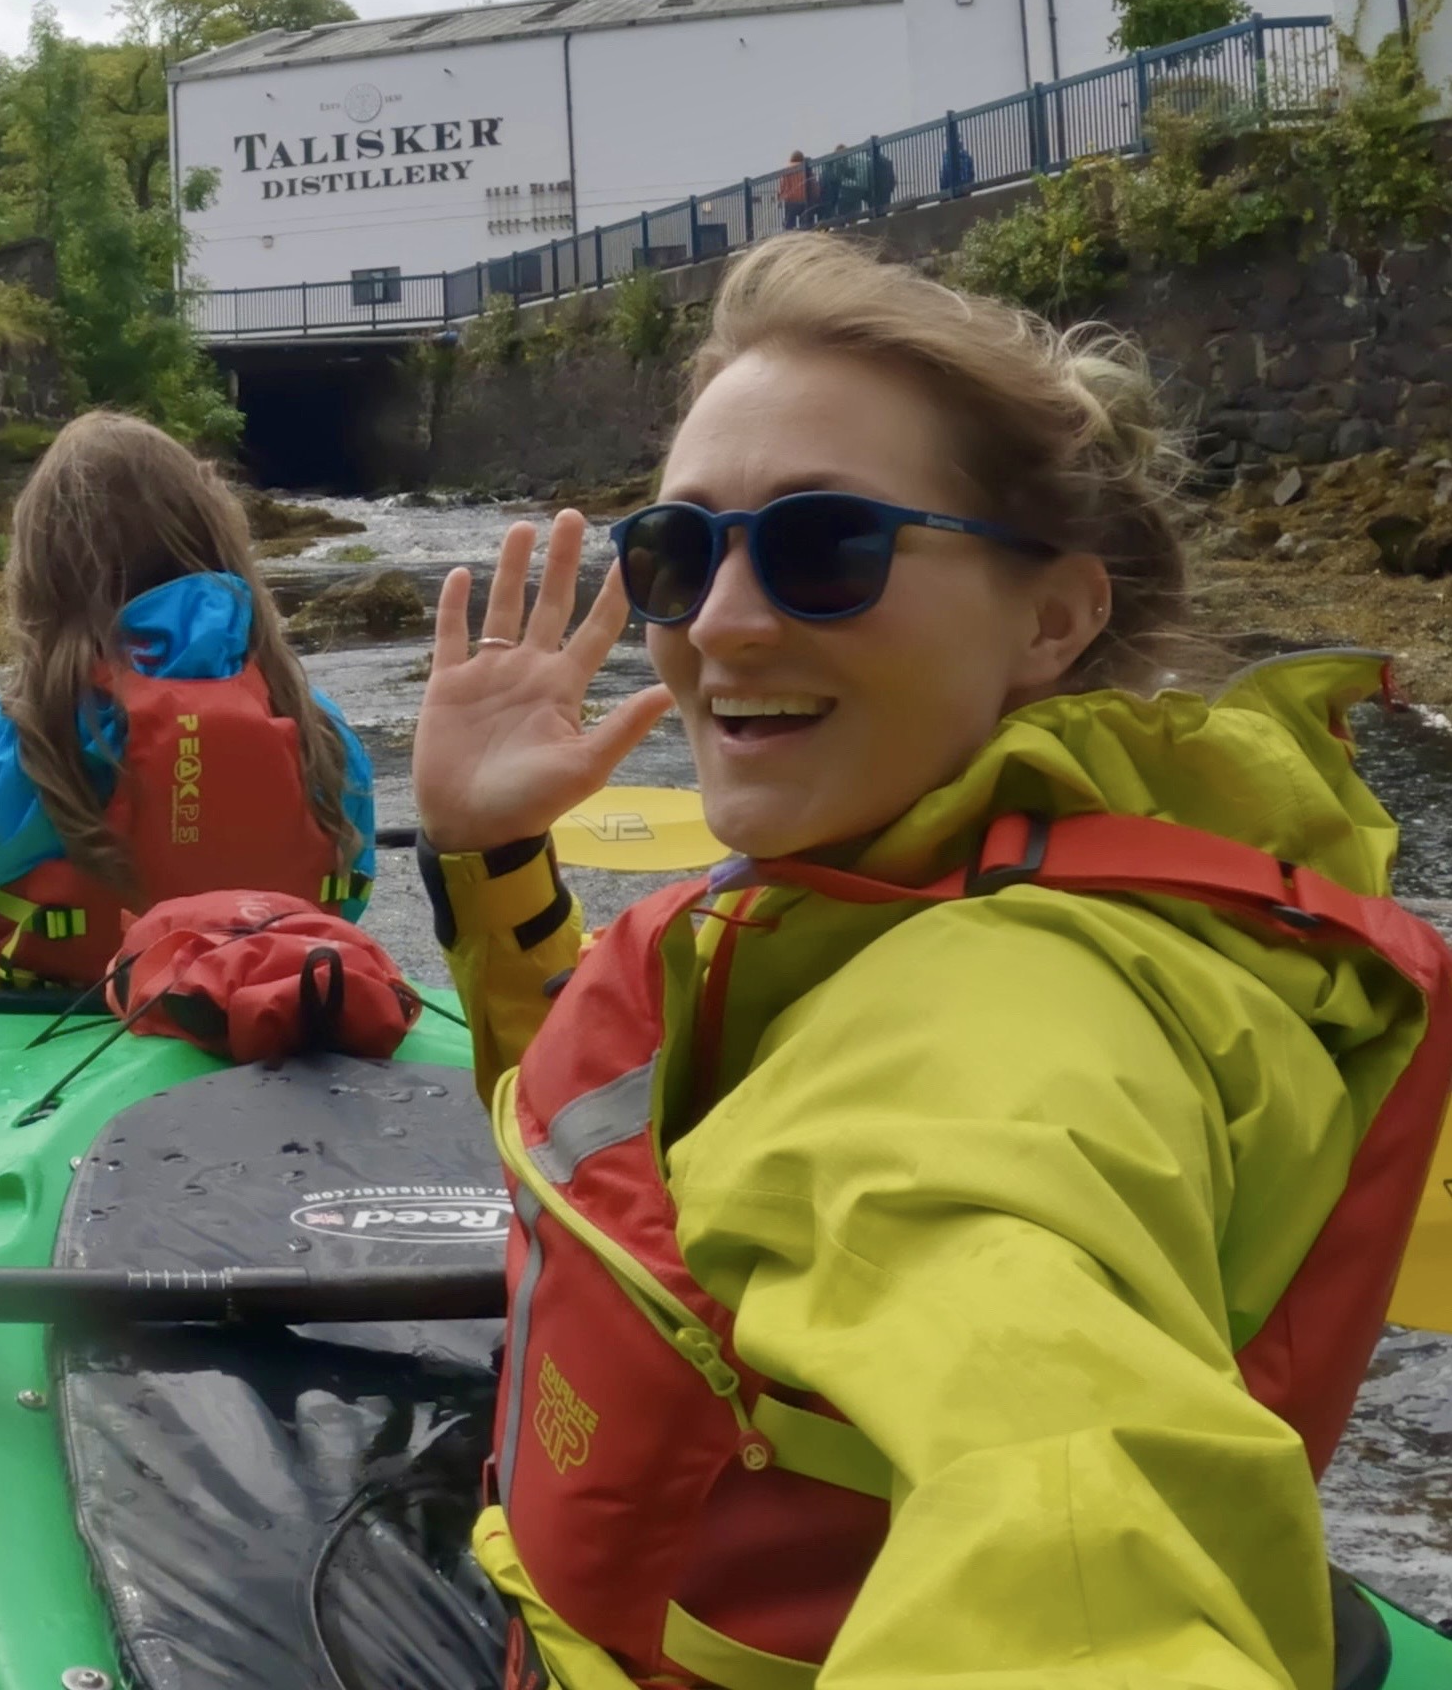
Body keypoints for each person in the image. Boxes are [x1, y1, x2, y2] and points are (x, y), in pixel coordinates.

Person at [410, 234, 1450, 1688]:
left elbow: (1073, 1533)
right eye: (680, 552)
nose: (718, 623)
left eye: (825, 548)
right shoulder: (894, 875)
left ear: (1056, 617)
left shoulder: (1003, 1042)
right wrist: (490, 859)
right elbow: (639, 1175)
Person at [0, 411, 376, 986]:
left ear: (43, 578)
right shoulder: (322, 733)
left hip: (43, 1031)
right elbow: (344, 903)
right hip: (259, 1018)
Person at [774, 151, 813, 230]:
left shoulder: (787, 170)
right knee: (806, 224)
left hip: (791, 201)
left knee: (790, 224)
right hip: (805, 200)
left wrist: (779, 197)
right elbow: (813, 184)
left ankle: (790, 237)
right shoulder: (806, 168)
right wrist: (815, 195)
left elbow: (783, 186)